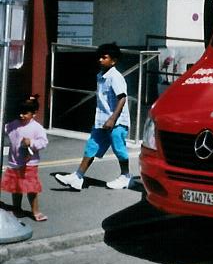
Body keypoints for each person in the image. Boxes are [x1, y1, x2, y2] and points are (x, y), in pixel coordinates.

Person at [55, 42, 133, 191]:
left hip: (117, 122)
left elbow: (122, 98)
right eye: (100, 57)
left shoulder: (115, 77)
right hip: (102, 120)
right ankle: (78, 177)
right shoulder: (100, 76)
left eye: (105, 57)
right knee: (91, 146)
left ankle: (125, 176)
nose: (100, 60)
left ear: (113, 61)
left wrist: (112, 119)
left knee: (119, 148)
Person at [1, 95, 49, 221]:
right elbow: (4, 129)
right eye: (19, 113)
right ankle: (17, 208)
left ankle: (35, 211)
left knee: (31, 189)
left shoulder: (36, 127)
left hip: (29, 163)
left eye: (25, 113)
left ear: (33, 113)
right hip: (15, 162)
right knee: (16, 187)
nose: (21, 115)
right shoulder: (13, 125)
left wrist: (32, 142)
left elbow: (44, 142)